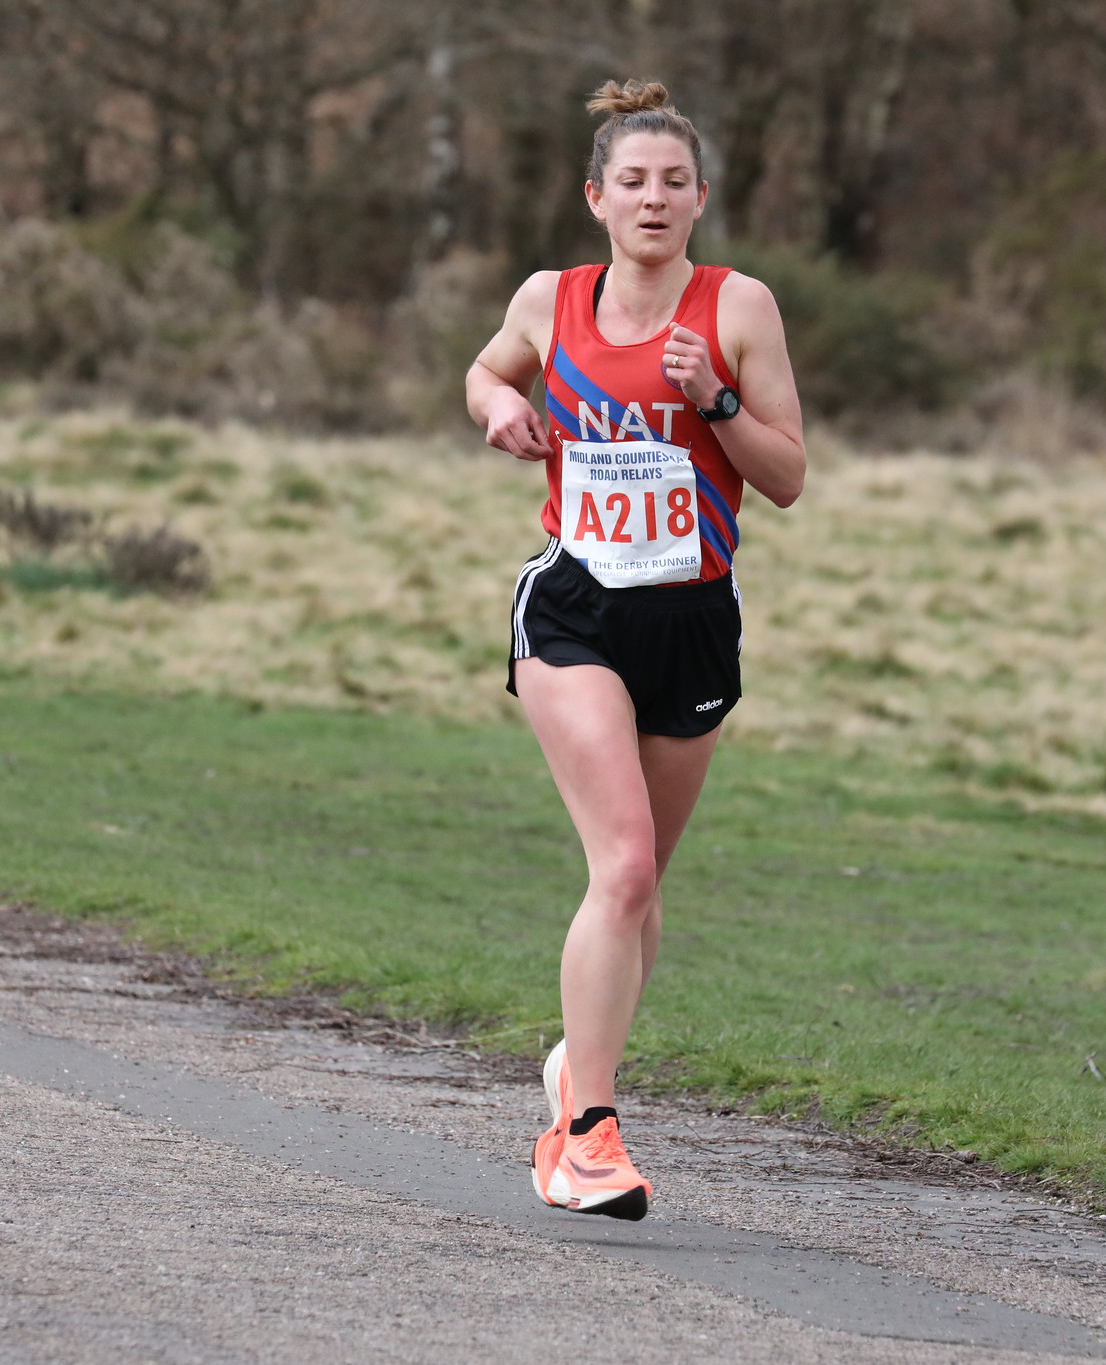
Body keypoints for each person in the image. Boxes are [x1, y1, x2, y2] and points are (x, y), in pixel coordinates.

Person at [465, 80, 806, 1220]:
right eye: (632, 182)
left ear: (699, 199)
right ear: (595, 198)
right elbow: (487, 369)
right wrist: (495, 411)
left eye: (673, 182)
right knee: (618, 864)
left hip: (692, 615)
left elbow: (787, 476)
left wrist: (711, 399)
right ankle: (589, 1136)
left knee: (642, 881)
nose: (652, 199)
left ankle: (573, 1069)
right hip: (573, 606)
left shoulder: (737, 307)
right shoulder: (550, 298)